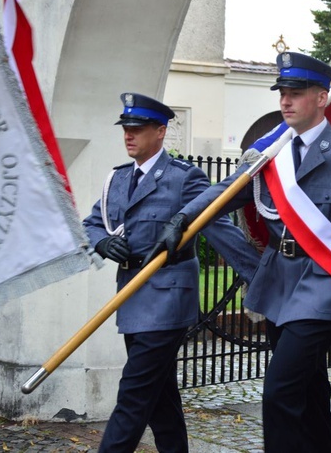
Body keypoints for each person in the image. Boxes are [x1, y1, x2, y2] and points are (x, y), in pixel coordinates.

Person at [147, 52, 331, 452]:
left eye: (297, 93)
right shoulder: (270, 153)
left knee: (280, 393)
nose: (286, 101)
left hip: (324, 284)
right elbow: (225, 193)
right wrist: (181, 219)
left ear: (322, 98)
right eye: (283, 93)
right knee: (309, 391)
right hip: (278, 283)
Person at [82, 93, 259, 453]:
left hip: (167, 299)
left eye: (138, 129)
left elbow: (216, 223)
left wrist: (259, 276)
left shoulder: (183, 178)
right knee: (161, 398)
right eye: (126, 129)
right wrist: (101, 243)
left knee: (132, 395)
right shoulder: (116, 179)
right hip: (131, 295)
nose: (128, 135)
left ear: (161, 132)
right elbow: (91, 224)